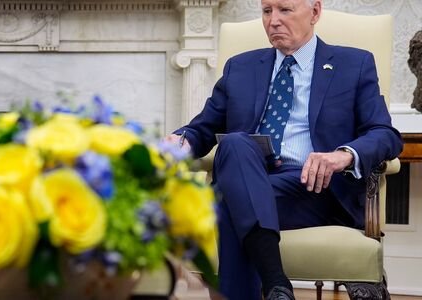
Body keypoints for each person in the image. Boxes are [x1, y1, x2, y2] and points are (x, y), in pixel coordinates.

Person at [167, 0, 403, 299]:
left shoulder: (353, 64)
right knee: (237, 143)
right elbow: (203, 128)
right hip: (250, 176)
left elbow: (385, 134)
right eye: (267, 11)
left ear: (314, 13)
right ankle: (277, 283)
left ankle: (274, 283)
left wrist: (343, 154)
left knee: (228, 203)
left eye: (285, 10)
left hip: (315, 189)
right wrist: (180, 141)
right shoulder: (241, 67)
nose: (273, 21)